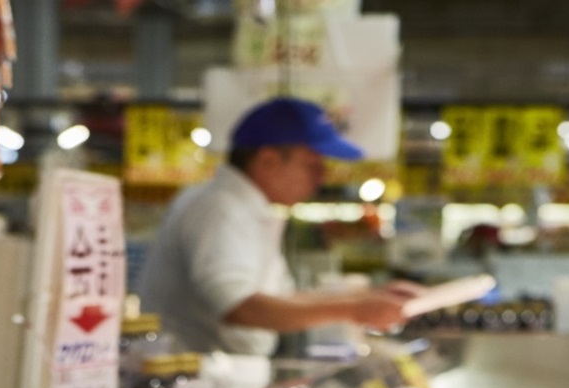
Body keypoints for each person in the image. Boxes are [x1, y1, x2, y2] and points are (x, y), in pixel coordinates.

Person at [138, 97, 418, 357]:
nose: (322, 176)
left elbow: (280, 300)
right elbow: (241, 308)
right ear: (268, 160)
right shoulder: (219, 208)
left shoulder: (244, 208)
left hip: (222, 379)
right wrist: (354, 309)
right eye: (312, 164)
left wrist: (369, 297)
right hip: (198, 384)